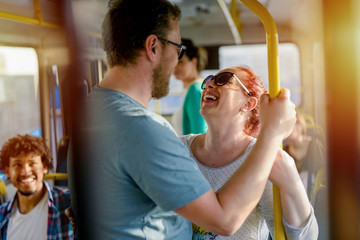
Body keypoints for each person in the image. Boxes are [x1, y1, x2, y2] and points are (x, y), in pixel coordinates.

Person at [70, 0, 297, 239]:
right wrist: (272, 133)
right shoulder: (144, 129)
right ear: (153, 47)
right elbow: (225, 220)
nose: (177, 61)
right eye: (177, 48)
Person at [181, 66, 318, 239]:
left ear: (248, 103)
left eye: (223, 79)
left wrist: (291, 179)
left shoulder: (262, 156)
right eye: (208, 81)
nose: (208, 85)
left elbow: (304, 237)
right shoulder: (178, 148)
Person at [0, 134, 73, 240]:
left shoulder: (69, 203)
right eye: (17, 165)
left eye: (32, 163)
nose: (25, 172)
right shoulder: (2, 215)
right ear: (7, 171)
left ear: (44, 167)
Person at [283, 109, 325, 200]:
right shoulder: (284, 152)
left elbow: (323, 173)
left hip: (314, 193)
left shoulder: (315, 145)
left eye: (288, 126)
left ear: (299, 125)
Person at [171, 38, 208, 135]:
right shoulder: (196, 88)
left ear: (194, 62)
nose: (175, 66)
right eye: (173, 61)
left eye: (180, 62)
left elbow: (198, 135)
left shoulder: (195, 89)